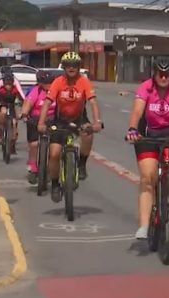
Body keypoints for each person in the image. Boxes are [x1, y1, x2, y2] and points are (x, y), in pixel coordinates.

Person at [126, 57, 169, 240]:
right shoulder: (146, 87)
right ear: (154, 74)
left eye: (167, 74)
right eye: (160, 74)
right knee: (148, 177)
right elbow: (137, 111)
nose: (163, 77)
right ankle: (145, 225)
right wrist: (132, 128)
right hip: (148, 134)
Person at [37, 51, 103, 203]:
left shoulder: (84, 81)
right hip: (60, 120)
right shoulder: (58, 82)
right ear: (64, 67)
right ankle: (54, 185)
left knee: (88, 133)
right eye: (68, 66)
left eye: (74, 66)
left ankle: (81, 164)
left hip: (79, 117)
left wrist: (97, 121)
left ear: (79, 67)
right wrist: (41, 123)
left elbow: (92, 102)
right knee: (54, 154)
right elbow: (47, 103)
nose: (71, 68)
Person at [20, 69, 59, 184]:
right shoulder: (35, 91)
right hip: (35, 120)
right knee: (34, 144)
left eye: (50, 83)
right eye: (46, 83)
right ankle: (32, 168)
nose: (48, 85)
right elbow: (27, 104)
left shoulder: (56, 92)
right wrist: (24, 114)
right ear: (40, 83)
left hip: (52, 120)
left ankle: (51, 167)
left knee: (55, 146)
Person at [0, 73, 26, 152]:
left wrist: (22, 103)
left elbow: (22, 98)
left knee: (14, 124)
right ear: (4, 84)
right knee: (3, 112)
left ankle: (12, 144)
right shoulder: (1, 90)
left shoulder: (15, 90)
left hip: (11, 108)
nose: (8, 86)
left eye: (10, 84)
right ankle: (0, 130)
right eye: (6, 84)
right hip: (3, 105)